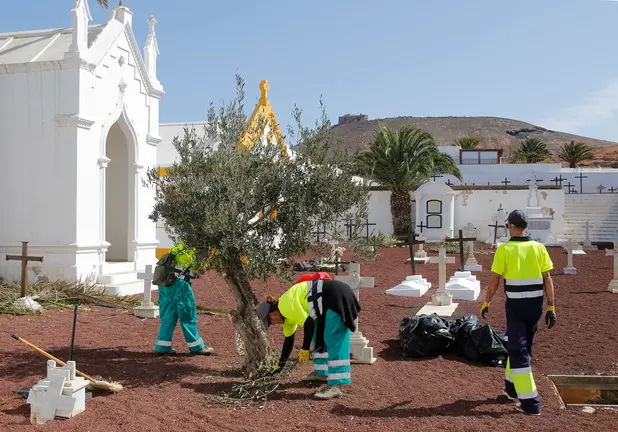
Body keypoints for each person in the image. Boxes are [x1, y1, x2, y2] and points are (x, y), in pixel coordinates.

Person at [481, 210, 556, 415]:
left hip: (515, 306)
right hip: (535, 306)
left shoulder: (505, 249)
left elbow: (495, 280)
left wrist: (486, 302)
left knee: (518, 350)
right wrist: (551, 307)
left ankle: (531, 403)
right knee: (524, 345)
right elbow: (547, 278)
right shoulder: (539, 247)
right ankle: (511, 388)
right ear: (525, 226)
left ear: (511, 226)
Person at [256, 273, 360, 400]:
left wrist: (305, 348)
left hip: (335, 297)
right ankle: (321, 373)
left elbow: (308, 322)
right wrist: (280, 365)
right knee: (318, 335)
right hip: (326, 302)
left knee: (333, 339)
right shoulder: (286, 318)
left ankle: (335, 386)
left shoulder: (285, 305)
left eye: (271, 323)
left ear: (272, 315)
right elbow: (289, 340)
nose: (274, 324)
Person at [154, 241, 214, 356]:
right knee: (187, 314)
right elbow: (202, 270)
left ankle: (162, 346)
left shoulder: (182, 243)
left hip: (164, 283)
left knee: (168, 316)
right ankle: (197, 347)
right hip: (180, 284)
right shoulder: (201, 248)